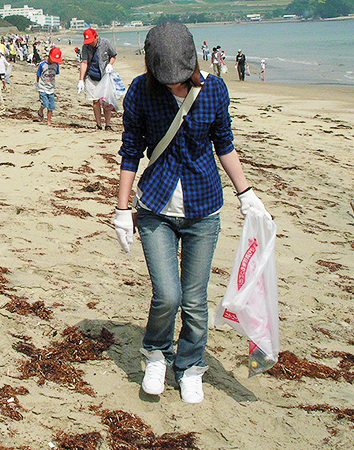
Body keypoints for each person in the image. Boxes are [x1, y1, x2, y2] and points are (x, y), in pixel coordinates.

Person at [112, 21, 270, 404]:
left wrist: (246, 193)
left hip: (203, 210)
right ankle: (156, 355)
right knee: (167, 295)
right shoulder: (139, 92)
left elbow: (224, 144)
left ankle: (191, 366)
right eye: (166, 78)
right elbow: (131, 150)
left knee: (195, 300)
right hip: (155, 209)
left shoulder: (214, 90)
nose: (173, 85)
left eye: (179, 78)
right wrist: (120, 208)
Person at [77, 27, 118, 130]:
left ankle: (108, 124)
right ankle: (98, 124)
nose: (90, 43)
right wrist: (81, 80)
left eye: (92, 41)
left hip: (105, 77)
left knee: (106, 102)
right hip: (92, 76)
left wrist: (110, 64)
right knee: (95, 101)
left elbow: (113, 56)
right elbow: (84, 62)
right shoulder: (86, 47)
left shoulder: (105, 43)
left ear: (96, 37)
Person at [35, 46, 62, 125]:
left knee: (51, 106)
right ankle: (40, 110)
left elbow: (56, 73)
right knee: (45, 104)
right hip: (42, 87)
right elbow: (38, 75)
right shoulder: (42, 65)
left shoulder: (56, 65)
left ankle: (49, 121)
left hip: (51, 88)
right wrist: (37, 84)